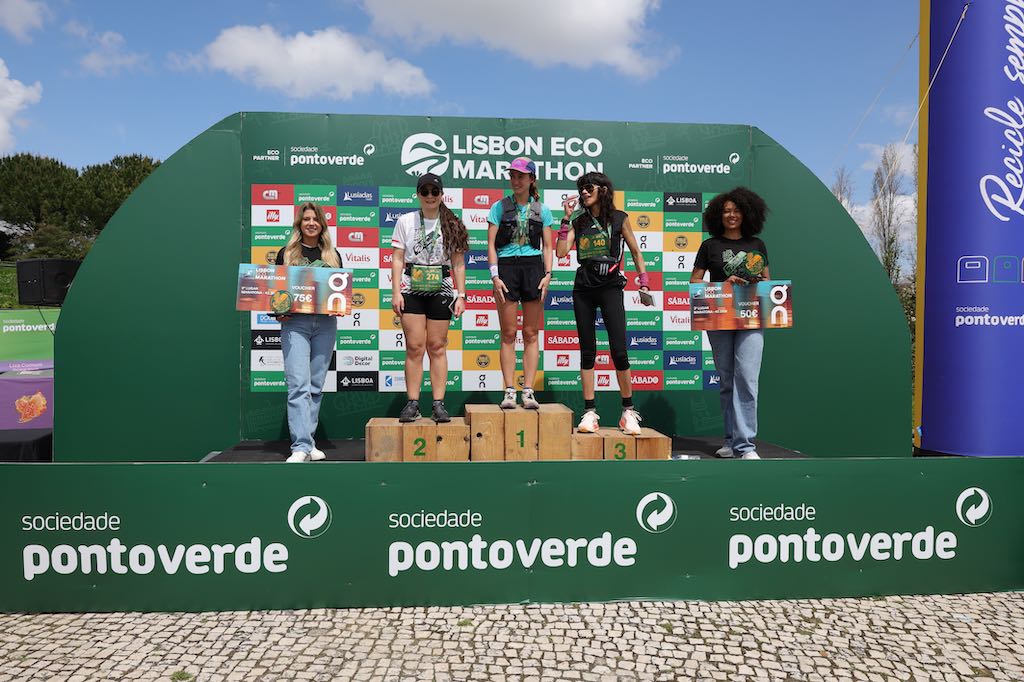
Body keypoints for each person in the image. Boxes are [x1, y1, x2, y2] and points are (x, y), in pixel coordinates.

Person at [556, 171, 652, 436]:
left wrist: (644, 282)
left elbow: (636, 252)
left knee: (619, 350)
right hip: (583, 288)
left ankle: (628, 411)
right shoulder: (578, 220)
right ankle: (589, 412)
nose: (584, 192)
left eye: (589, 187)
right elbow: (561, 252)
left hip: (610, 287)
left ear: (603, 190)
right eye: (581, 188)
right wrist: (565, 219)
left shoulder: (619, 218)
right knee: (587, 351)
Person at [690, 187, 771, 460]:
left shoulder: (757, 245)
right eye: (726, 211)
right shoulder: (709, 246)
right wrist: (724, 284)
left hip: (752, 315)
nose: (731, 215)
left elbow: (768, 282)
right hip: (719, 315)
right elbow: (695, 282)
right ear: (718, 215)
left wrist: (757, 281)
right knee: (727, 381)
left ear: (747, 213)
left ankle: (746, 446)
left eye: (736, 210)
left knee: (746, 377)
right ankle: (730, 440)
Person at [391, 173, 468, 423]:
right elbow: (397, 259)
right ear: (418, 194)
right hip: (412, 288)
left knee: (437, 346)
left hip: (441, 288)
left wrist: (461, 295)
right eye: (425, 192)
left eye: (434, 192)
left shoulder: (452, 222)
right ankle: (413, 403)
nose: (430, 196)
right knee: (415, 347)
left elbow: (458, 262)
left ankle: (438, 403)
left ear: (441, 194)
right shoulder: (406, 221)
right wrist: (395, 292)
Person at [275, 202, 343, 463]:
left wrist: (340, 305)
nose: (311, 223)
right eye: (306, 219)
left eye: (315, 219)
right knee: (298, 384)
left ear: (322, 224)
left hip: (325, 324)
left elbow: (340, 292)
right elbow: (276, 292)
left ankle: (309, 441)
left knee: (315, 386)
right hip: (295, 324)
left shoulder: (333, 255)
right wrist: (278, 312)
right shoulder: (287, 254)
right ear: (299, 224)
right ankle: (300, 446)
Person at [487, 157, 555, 410]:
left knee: (530, 333)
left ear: (531, 179)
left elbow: (547, 246)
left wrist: (548, 274)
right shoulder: (499, 207)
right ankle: (509, 391)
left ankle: (528, 391)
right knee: (508, 333)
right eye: (513, 176)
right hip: (506, 268)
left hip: (533, 268)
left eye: (521, 176)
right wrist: (495, 276)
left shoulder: (543, 210)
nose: (516, 181)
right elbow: (491, 245)